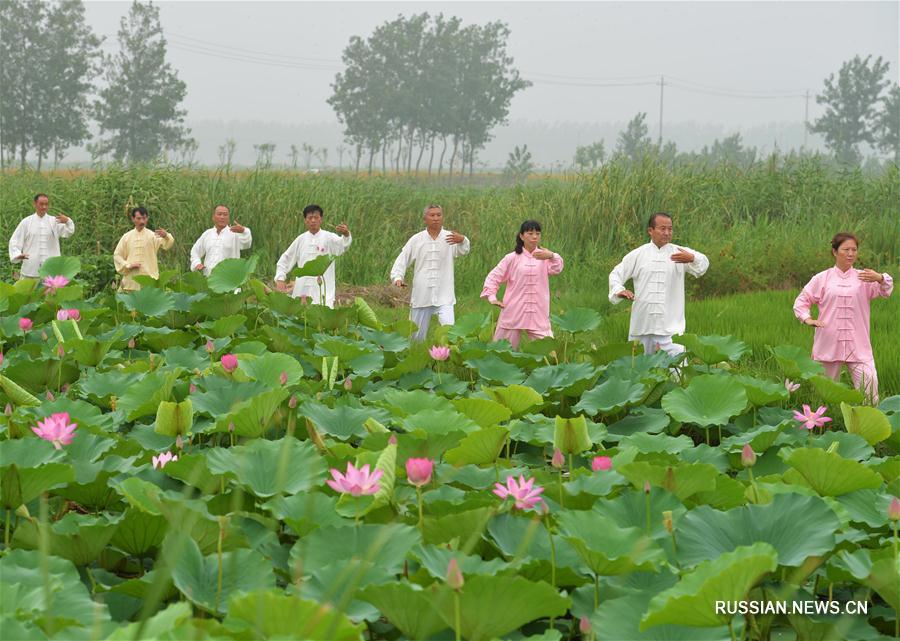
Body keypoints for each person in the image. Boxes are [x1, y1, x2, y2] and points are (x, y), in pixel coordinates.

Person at [793, 232, 893, 403]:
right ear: (834, 252)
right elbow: (801, 302)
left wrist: (880, 277)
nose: (851, 254)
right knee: (824, 396)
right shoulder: (822, 278)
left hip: (858, 345)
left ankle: (867, 427)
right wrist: (807, 319)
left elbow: (885, 290)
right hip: (828, 343)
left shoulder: (864, 277)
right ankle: (824, 427)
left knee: (870, 390)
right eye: (846, 249)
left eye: (854, 250)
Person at [608, 212, 709, 356]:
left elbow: (703, 264)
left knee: (678, 368)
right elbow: (616, 274)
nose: (667, 233)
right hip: (642, 325)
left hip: (670, 327)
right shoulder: (638, 255)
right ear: (650, 230)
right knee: (637, 368)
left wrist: (692, 258)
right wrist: (619, 290)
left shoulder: (679, 253)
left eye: (670, 229)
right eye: (663, 229)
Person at [391, 204, 470, 342]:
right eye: (432, 215)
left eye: (439, 215)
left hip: (444, 294)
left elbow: (464, 250)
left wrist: (463, 240)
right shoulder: (417, 239)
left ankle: (446, 359)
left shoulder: (451, 237)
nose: (436, 218)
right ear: (425, 219)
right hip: (422, 295)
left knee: (450, 333)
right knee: (415, 337)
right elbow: (403, 258)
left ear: (442, 217)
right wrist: (398, 277)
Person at [481, 220, 563, 349]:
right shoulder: (511, 258)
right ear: (521, 236)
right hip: (513, 309)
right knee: (502, 352)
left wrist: (552, 255)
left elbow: (557, 268)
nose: (535, 237)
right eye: (530, 233)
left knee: (549, 350)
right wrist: (492, 297)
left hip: (538, 311)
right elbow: (493, 277)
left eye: (538, 233)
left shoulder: (544, 257)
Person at [274, 204, 351, 308]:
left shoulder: (329, 238)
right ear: (305, 220)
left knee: (322, 316)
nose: (313, 220)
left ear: (321, 220)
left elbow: (343, 245)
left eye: (316, 217)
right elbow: (285, 259)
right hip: (302, 290)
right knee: (301, 318)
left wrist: (346, 235)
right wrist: (280, 278)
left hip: (323, 290)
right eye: (310, 218)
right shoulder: (300, 240)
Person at [8, 193, 75, 279]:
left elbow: (68, 232)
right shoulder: (26, 222)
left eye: (46, 204)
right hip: (30, 268)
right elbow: (15, 240)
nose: (44, 207)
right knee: (27, 292)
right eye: (41, 204)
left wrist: (68, 221)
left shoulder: (54, 221)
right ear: (35, 204)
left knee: (50, 292)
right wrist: (17, 254)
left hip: (51, 270)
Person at [113, 206, 174, 291]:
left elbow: (168, 244)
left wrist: (166, 236)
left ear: (147, 218)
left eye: (144, 218)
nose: (142, 221)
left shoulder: (153, 236)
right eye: (138, 218)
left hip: (149, 280)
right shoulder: (126, 237)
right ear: (133, 219)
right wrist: (128, 265)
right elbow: (117, 255)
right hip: (131, 281)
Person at [189, 205, 252, 276]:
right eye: (219, 214)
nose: (222, 217)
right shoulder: (207, 234)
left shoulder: (235, 233)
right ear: (213, 217)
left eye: (225, 214)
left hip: (229, 279)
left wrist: (244, 231)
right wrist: (197, 263)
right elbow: (195, 251)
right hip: (209, 278)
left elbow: (247, 244)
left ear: (228, 218)